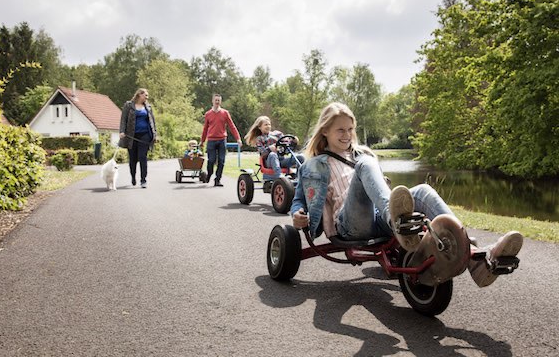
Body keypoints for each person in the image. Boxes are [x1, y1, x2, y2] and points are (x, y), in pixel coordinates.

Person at [290, 102, 523, 288]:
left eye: (350, 129)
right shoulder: (313, 166)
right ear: (325, 131)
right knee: (365, 164)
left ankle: (477, 259)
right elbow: (299, 199)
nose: (347, 135)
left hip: (379, 218)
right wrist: (297, 214)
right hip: (349, 225)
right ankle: (397, 222)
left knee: (423, 191)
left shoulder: (363, 155)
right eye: (340, 130)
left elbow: (376, 186)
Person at [199, 94, 242, 187]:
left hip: (222, 140)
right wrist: (202, 141)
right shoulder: (208, 114)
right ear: (212, 101)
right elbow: (205, 129)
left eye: (219, 100)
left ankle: (217, 180)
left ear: (220, 102)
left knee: (221, 161)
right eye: (216, 100)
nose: (217, 102)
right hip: (211, 140)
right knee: (211, 160)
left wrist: (238, 138)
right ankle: (209, 174)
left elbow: (232, 126)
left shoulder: (225, 113)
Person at [119, 88, 157, 189]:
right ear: (139, 95)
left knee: (142, 157)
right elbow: (123, 119)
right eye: (146, 95)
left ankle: (143, 180)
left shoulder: (148, 107)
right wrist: (122, 131)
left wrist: (155, 134)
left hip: (145, 135)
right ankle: (133, 177)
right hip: (131, 135)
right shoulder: (128, 105)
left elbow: (152, 121)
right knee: (133, 159)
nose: (147, 97)